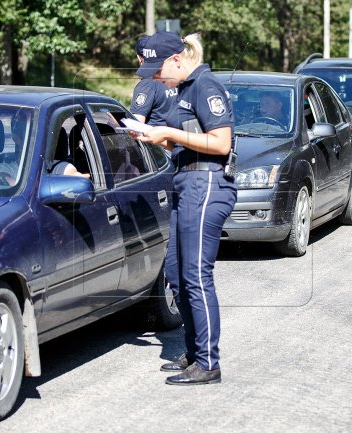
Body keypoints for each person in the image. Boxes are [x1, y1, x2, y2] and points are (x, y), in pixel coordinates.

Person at [135, 31, 237, 386]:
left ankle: (208, 363)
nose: (155, 78)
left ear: (177, 59)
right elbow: (191, 140)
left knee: (196, 275)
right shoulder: (183, 88)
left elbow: (221, 143)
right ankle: (195, 352)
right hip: (186, 179)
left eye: (158, 69)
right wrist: (160, 139)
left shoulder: (204, 85)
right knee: (177, 273)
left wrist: (171, 134)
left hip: (206, 183)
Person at [130, 35, 175, 126]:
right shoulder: (174, 78)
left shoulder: (146, 84)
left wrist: (115, 124)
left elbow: (137, 126)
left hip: (155, 139)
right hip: (180, 138)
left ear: (139, 58)